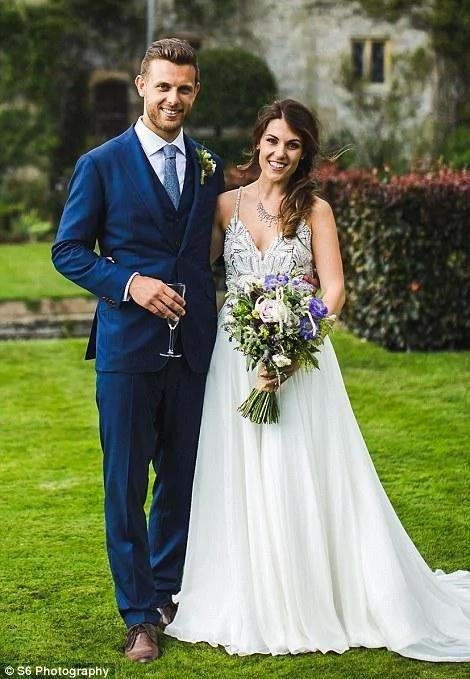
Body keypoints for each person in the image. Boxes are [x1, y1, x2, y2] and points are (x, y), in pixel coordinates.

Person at [165, 99, 470, 661]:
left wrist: (294, 348)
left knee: (298, 466)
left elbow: (333, 290)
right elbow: (195, 268)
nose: (280, 153)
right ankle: (246, 592)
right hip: (236, 357)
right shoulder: (225, 205)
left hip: (299, 356)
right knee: (239, 467)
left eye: (293, 145)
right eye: (273, 141)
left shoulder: (315, 210)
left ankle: (308, 592)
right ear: (257, 142)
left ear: (303, 152)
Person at [52, 38, 224, 662]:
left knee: (180, 479)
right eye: (163, 86)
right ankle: (138, 617)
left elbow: (206, 251)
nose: (173, 98)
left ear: (195, 92)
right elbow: (68, 250)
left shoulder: (207, 165)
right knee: (125, 485)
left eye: (184, 88)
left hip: (194, 347)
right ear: (141, 86)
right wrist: (131, 284)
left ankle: (166, 593)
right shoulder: (100, 164)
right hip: (127, 350)